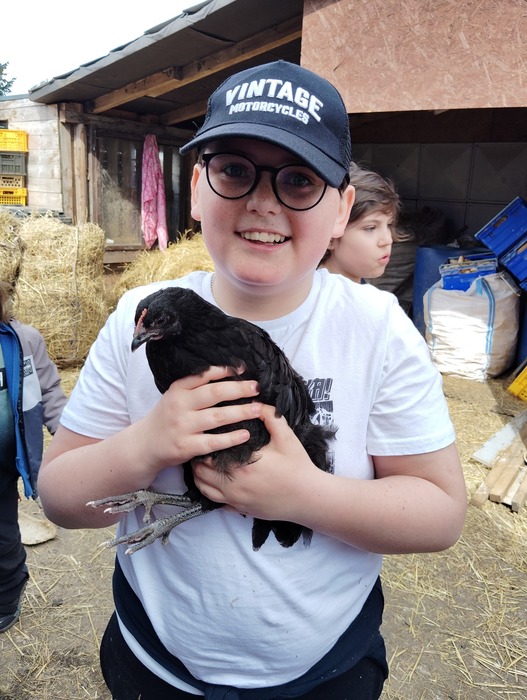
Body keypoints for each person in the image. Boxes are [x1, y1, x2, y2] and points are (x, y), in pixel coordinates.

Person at [38, 60, 467, 699]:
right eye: (235, 171)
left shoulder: (378, 331)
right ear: (197, 189)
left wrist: (302, 496)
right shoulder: (136, 316)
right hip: (155, 663)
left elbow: (441, 515)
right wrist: (144, 445)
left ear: (342, 210)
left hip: (326, 669)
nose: (263, 201)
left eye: (299, 180)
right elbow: (59, 499)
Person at [0, 280, 67, 632]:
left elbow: (50, 392)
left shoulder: (23, 340)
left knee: (3, 533)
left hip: (6, 461)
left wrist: (71, 437)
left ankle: (8, 594)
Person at [319, 162, 402, 282]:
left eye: (389, 225)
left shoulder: (360, 291)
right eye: (371, 228)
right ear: (330, 238)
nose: (388, 240)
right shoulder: (312, 293)